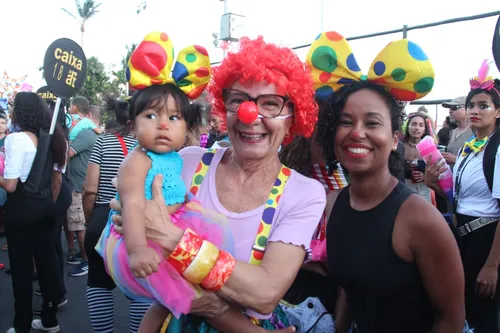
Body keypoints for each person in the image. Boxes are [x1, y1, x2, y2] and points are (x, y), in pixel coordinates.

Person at [111, 33, 325, 333]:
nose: (252, 116)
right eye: (239, 100)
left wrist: (172, 238)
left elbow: (264, 294)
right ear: (225, 109)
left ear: (292, 116)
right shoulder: (187, 161)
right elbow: (127, 229)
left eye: (271, 104)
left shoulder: (304, 193)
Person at [313, 31, 465, 332]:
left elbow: (450, 319)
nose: (357, 133)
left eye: (372, 123)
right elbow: (350, 289)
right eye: (346, 122)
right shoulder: (333, 204)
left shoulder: (420, 219)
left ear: (395, 139)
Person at [425, 62, 500, 332]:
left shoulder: (498, 151)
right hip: (462, 236)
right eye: (471, 106)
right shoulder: (469, 148)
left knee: (484, 316)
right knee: (463, 307)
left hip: (487, 239)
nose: (475, 111)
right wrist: (433, 184)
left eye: (484, 106)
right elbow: (459, 198)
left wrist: (492, 265)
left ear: (498, 111)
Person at [1, 92, 67, 333]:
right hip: (45, 205)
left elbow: (10, 184)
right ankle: (49, 319)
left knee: (21, 268)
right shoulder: (52, 138)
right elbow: (55, 177)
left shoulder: (16, 139)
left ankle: (21, 325)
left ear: (20, 112)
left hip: (21, 208)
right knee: (47, 262)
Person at [83, 97, 146, 333]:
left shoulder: (102, 142)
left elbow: (90, 188)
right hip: (138, 223)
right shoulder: (145, 146)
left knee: (98, 284)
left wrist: (91, 219)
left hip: (103, 220)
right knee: (140, 289)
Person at [66, 105, 100, 277]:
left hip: (79, 187)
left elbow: (67, 154)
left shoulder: (86, 134)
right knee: (78, 224)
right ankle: (83, 255)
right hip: (79, 186)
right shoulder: (90, 133)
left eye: (76, 117)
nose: (72, 120)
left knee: (80, 226)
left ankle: (87, 261)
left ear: (87, 117)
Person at [402, 112, 433, 202]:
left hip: (423, 192)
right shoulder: (400, 146)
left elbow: (438, 172)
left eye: (421, 125)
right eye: (414, 124)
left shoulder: (429, 147)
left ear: (424, 129)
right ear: (408, 127)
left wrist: (425, 176)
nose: (417, 128)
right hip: (403, 191)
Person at [442, 96, 473, 166]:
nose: (450, 111)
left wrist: (457, 159)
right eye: (449, 108)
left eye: (454, 107)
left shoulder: (476, 132)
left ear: (467, 109)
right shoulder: (452, 132)